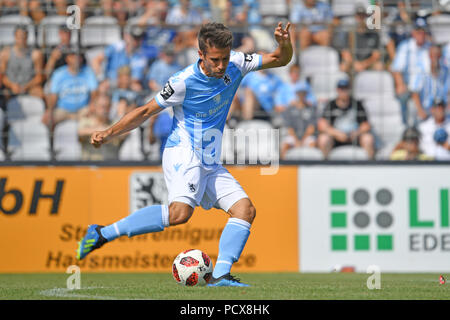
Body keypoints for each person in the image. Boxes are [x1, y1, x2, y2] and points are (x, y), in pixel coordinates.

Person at [76, 21, 293, 287]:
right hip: (184, 151)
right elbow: (145, 112)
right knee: (180, 214)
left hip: (210, 159)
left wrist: (284, 43)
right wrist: (109, 133)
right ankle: (102, 233)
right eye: (215, 60)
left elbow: (280, 59)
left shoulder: (237, 62)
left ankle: (221, 275)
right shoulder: (182, 81)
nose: (222, 65)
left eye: (225, 58)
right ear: (200, 54)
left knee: (245, 210)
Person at [317, 79, 375, 159]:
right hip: (335, 138)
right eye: (341, 89)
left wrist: (355, 133)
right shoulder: (331, 105)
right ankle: (325, 165)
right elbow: (321, 125)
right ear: (337, 90)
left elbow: (366, 125)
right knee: (323, 139)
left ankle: (370, 166)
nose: (343, 91)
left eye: (345, 89)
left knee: (368, 138)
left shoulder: (357, 104)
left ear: (349, 90)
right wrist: (336, 133)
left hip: (354, 138)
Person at [42, 48, 98, 128]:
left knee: (97, 116)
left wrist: (92, 105)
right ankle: (52, 139)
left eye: (79, 56)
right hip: (63, 110)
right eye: (73, 56)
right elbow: (54, 95)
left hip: (83, 110)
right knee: (46, 119)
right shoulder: (58, 73)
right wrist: (49, 110)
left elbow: (94, 92)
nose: (77, 59)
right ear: (67, 58)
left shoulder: (88, 71)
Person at [391, 17, 431, 125]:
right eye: (418, 32)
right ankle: (408, 127)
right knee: (406, 97)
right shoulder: (405, 46)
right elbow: (397, 69)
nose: (421, 34)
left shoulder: (430, 47)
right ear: (413, 32)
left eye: (423, 31)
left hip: (427, 88)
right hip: (410, 88)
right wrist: (400, 85)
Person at [280, 80, 317, 160]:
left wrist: (302, 140)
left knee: (312, 143)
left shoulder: (311, 109)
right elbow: (289, 128)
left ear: (306, 94)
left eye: (303, 93)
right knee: (285, 145)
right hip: (293, 136)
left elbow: (311, 128)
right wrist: (297, 140)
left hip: (307, 136)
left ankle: (312, 167)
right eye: (300, 93)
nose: (301, 95)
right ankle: (284, 166)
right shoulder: (290, 109)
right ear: (296, 94)